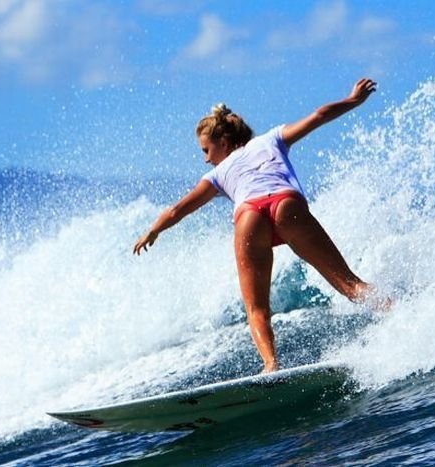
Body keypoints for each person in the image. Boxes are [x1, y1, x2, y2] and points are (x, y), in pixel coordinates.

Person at [133, 78, 389, 373]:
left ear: (224, 143)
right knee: (350, 285)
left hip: (249, 216)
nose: (205, 159)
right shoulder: (271, 139)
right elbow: (318, 116)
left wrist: (153, 230)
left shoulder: (218, 173)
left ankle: (270, 365)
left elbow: (178, 209)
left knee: (256, 310)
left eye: (206, 150)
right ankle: (400, 312)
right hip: (285, 203)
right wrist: (353, 100)